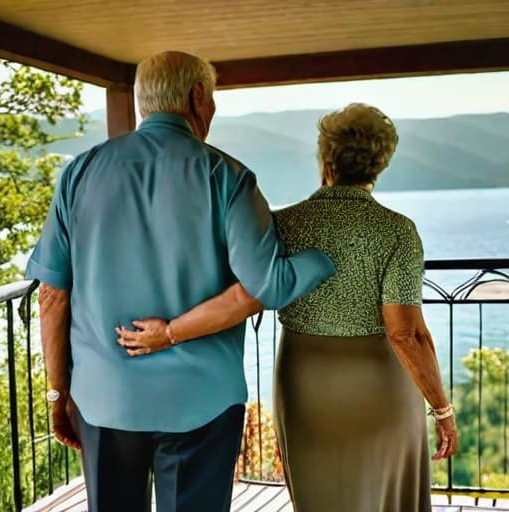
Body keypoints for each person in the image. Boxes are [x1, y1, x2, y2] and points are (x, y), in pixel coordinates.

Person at [26, 50, 335, 512]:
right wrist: (322, 259)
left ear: (140, 102)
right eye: (211, 98)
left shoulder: (81, 172)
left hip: (105, 398)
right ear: (197, 97)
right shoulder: (227, 177)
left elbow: (51, 295)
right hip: (202, 403)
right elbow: (266, 285)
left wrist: (59, 392)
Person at [117, 103, 458, 511]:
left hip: (305, 380)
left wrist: (169, 331)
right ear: (380, 164)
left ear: (325, 159)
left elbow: (243, 295)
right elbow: (406, 333)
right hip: (380, 386)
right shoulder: (397, 231)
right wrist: (442, 408)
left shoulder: (283, 224)